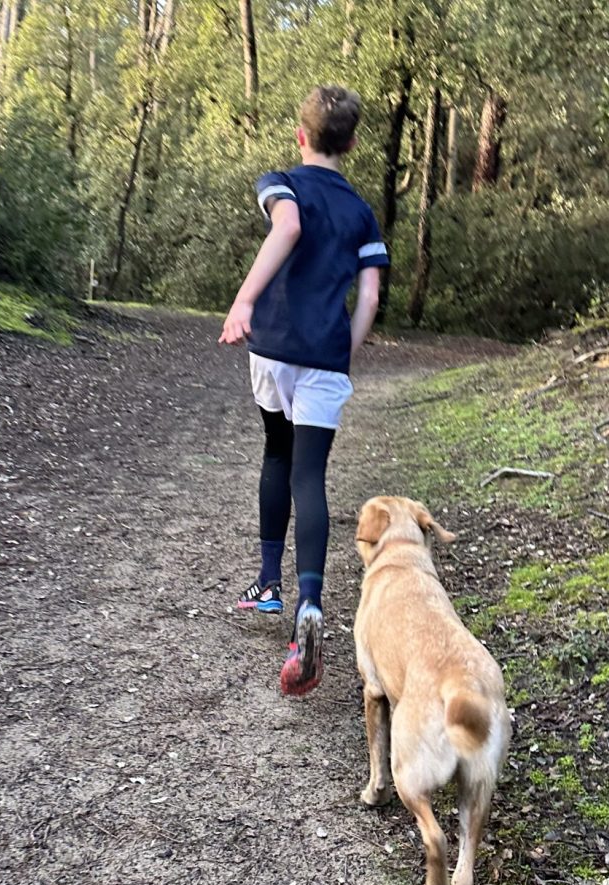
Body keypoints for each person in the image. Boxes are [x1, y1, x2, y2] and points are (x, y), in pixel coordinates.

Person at [219, 84, 389, 698]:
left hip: (272, 346)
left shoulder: (281, 181)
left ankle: (268, 585)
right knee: (309, 475)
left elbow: (286, 227)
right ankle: (308, 607)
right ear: (352, 142)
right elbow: (368, 297)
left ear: (301, 135)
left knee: (275, 453)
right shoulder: (363, 213)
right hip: (323, 357)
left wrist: (243, 299)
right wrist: (344, 354)